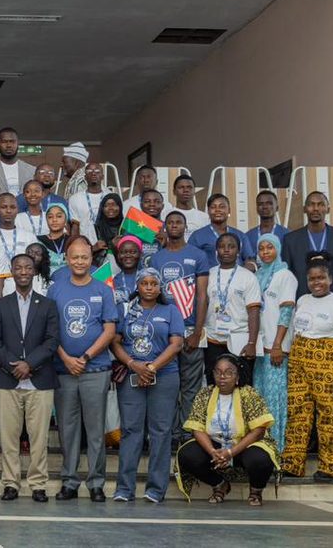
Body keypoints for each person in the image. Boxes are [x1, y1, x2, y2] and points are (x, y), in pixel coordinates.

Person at [47, 237, 118, 502]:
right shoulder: (55, 290)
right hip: (64, 370)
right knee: (67, 429)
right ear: (67, 259)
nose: (79, 262)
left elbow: (110, 330)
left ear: (91, 259)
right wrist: (66, 358)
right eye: (75, 257)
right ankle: (69, 481)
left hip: (96, 369)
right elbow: (49, 329)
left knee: (95, 429)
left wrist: (86, 357)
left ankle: (96, 483)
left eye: (84, 257)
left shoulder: (103, 290)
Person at [109, 268, 184, 503]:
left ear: (160, 287)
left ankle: (155, 489)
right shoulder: (126, 310)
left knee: (160, 432)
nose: (149, 287)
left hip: (164, 376)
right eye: (145, 283)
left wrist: (150, 368)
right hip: (132, 377)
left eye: (154, 283)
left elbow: (177, 344)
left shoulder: (171, 310)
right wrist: (133, 364)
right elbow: (115, 342)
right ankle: (124, 488)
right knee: (131, 431)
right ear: (138, 287)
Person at [0, 253, 59, 502]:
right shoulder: (0, 305)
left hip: (40, 380)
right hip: (8, 380)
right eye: (18, 267)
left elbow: (52, 341)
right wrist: (13, 366)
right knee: (9, 437)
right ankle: (11, 483)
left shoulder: (48, 305)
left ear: (34, 270)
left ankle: (38, 484)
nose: (23, 271)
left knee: (39, 438)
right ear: (11, 271)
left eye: (28, 267)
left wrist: (29, 364)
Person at [282, 255, 333, 481]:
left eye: (321, 278)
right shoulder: (302, 300)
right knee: (298, 415)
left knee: (330, 418)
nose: (316, 282)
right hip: (300, 361)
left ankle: (329, 468)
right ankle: (293, 464)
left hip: (330, 363)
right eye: (312, 279)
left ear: (330, 279)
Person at [177, 354, 278, 506]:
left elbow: (259, 430)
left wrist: (231, 452)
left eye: (229, 372)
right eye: (218, 372)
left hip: (243, 446)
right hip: (216, 447)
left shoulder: (249, 393)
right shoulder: (205, 394)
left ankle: (256, 490)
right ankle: (220, 484)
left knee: (260, 459)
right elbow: (196, 428)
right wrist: (212, 451)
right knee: (187, 454)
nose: (222, 376)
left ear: (238, 375)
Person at [149, 212, 210, 441]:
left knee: (191, 385)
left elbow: (203, 296)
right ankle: (170, 432)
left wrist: (197, 331)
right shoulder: (157, 258)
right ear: (165, 227)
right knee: (166, 385)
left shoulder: (198, 255)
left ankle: (188, 432)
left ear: (185, 227)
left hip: (190, 329)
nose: (174, 226)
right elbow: (152, 296)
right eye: (171, 222)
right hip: (164, 333)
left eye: (179, 223)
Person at [252, 234, 296, 449]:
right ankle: (261, 449)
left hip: (275, 350)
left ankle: (277, 450)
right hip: (260, 350)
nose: (266, 251)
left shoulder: (285, 275)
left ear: (278, 249)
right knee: (260, 401)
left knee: (275, 403)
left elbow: (286, 312)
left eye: (271, 247)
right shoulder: (258, 275)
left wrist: (278, 345)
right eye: (262, 248)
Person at [204, 233, 262, 386]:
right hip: (213, 340)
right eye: (222, 247)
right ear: (216, 251)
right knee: (214, 385)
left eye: (231, 246)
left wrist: (252, 343)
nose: (226, 250)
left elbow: (254, 311)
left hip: (240, 340)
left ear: (239, 250)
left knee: (242, 386)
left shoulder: (248, 277)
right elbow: (203, 306)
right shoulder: (209, 274)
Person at [283, 191, 333, 300]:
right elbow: (287, 279)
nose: (316, 208)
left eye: (321, 204)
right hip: (303, 304)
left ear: (328, 209)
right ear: (304, 209)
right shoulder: (290, 240)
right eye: (311, 204)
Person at [188, 194, 256, 267]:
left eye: (222, 207)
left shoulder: (240, 235)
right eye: (213, 207)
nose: (217, 210)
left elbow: (250, 259)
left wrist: (247, 269)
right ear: (208, 211)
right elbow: (190, 260)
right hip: (210, 277)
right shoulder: (197, 236)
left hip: (237, 276)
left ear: (229, 210)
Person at [67, 163, 110, 242]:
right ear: (85, 177)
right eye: (89, 171)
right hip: (85, 247)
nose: (93, 173)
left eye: (97, 171)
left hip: (108, 245)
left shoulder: (111, 196)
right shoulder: (75, 199)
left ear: (102, 176)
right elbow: (75, 227)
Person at [0, 127, 35, 196]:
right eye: (4, 142)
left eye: (12, 141)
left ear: (18, 144)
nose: (8, 145)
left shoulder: (32, 170)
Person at [246, 190, 289, 254]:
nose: (265, 207)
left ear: (277, 207)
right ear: (257, 208)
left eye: (269, 203)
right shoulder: (248, 236)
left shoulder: (287, 235)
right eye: (260, 204)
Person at [172, 175, 209, 241]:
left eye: (189, 187)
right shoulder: (164, 214)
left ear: (194, 191)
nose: (186, 190)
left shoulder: (205, 217)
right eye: (181, 187)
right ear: (174, 191)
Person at [91, 193, 123, 267]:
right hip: (100, 268)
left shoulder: (126, 225)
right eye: (106, 206)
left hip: (123, 267)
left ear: (120, 207)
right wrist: (93, 248)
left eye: (114, 205)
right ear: (102, 209)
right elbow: (83, 253)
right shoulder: (94, 228)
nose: (110, 208)